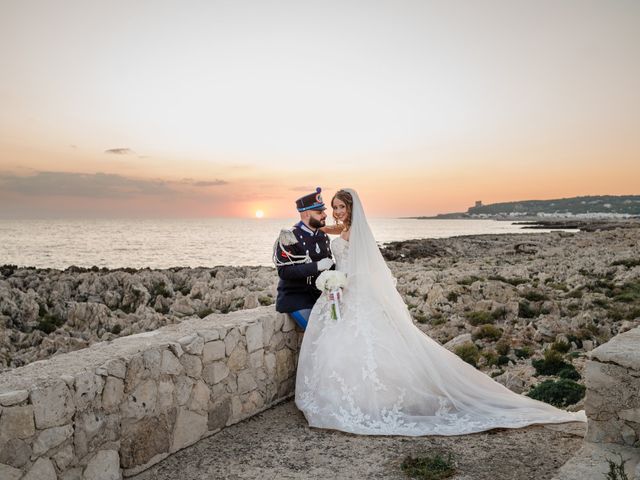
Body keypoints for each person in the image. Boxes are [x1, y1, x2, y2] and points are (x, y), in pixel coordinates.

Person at [295, 188, 586, 436]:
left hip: (351, 290)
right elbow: (332, 230)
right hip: (341, 292)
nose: (336, 211)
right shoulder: (342, 228)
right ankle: (347, 397)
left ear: (351, 208)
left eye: (341, 207)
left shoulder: (355, 232)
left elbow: (360, 264)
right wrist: (313, 228)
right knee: (346, 347)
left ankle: (371, 401)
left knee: (369, 345)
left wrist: (340, 280)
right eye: (334, 207)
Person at [273, 187, 335, 330]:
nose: (325, 215)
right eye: (319, 212)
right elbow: (284, 271)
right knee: (318, 335)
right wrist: (316, 266)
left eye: (323, 211)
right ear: (306, 213)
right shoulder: (289, 237)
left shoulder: (323, 236)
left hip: (319, 298)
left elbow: (329, 265)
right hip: (296, 298)